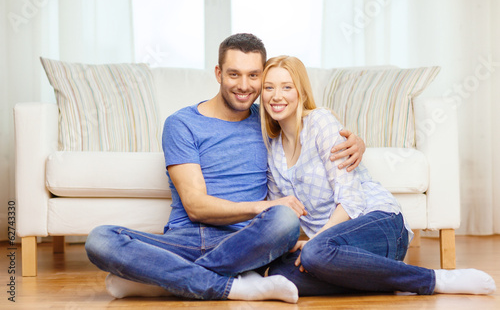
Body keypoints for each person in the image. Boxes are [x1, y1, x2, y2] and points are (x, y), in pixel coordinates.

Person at [85, 33, 365, 303]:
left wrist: (357, 142)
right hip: (186, 238)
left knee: (285, 221)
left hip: (247, 241)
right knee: (100, 239)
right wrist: (261, 206)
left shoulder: (268, 121)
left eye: (254, 75)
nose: (244, 85)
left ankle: (164, 280)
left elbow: (312, 129)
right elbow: (195, 206)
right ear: (218, 73)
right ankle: (235, 286)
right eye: (234, 74)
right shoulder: (181, 124)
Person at [259, 55, 497, 296]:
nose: (276, 95)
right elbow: (285, 213)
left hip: (379, 223)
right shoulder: (272, 149)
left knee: (313, 254)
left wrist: (314, 242)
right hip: (338, 250)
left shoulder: (320, 122)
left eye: (286, 87)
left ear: (300, 91)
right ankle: (387, 277)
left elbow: (351, 200)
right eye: (269, 88)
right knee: (281, 274)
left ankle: (433, 279)